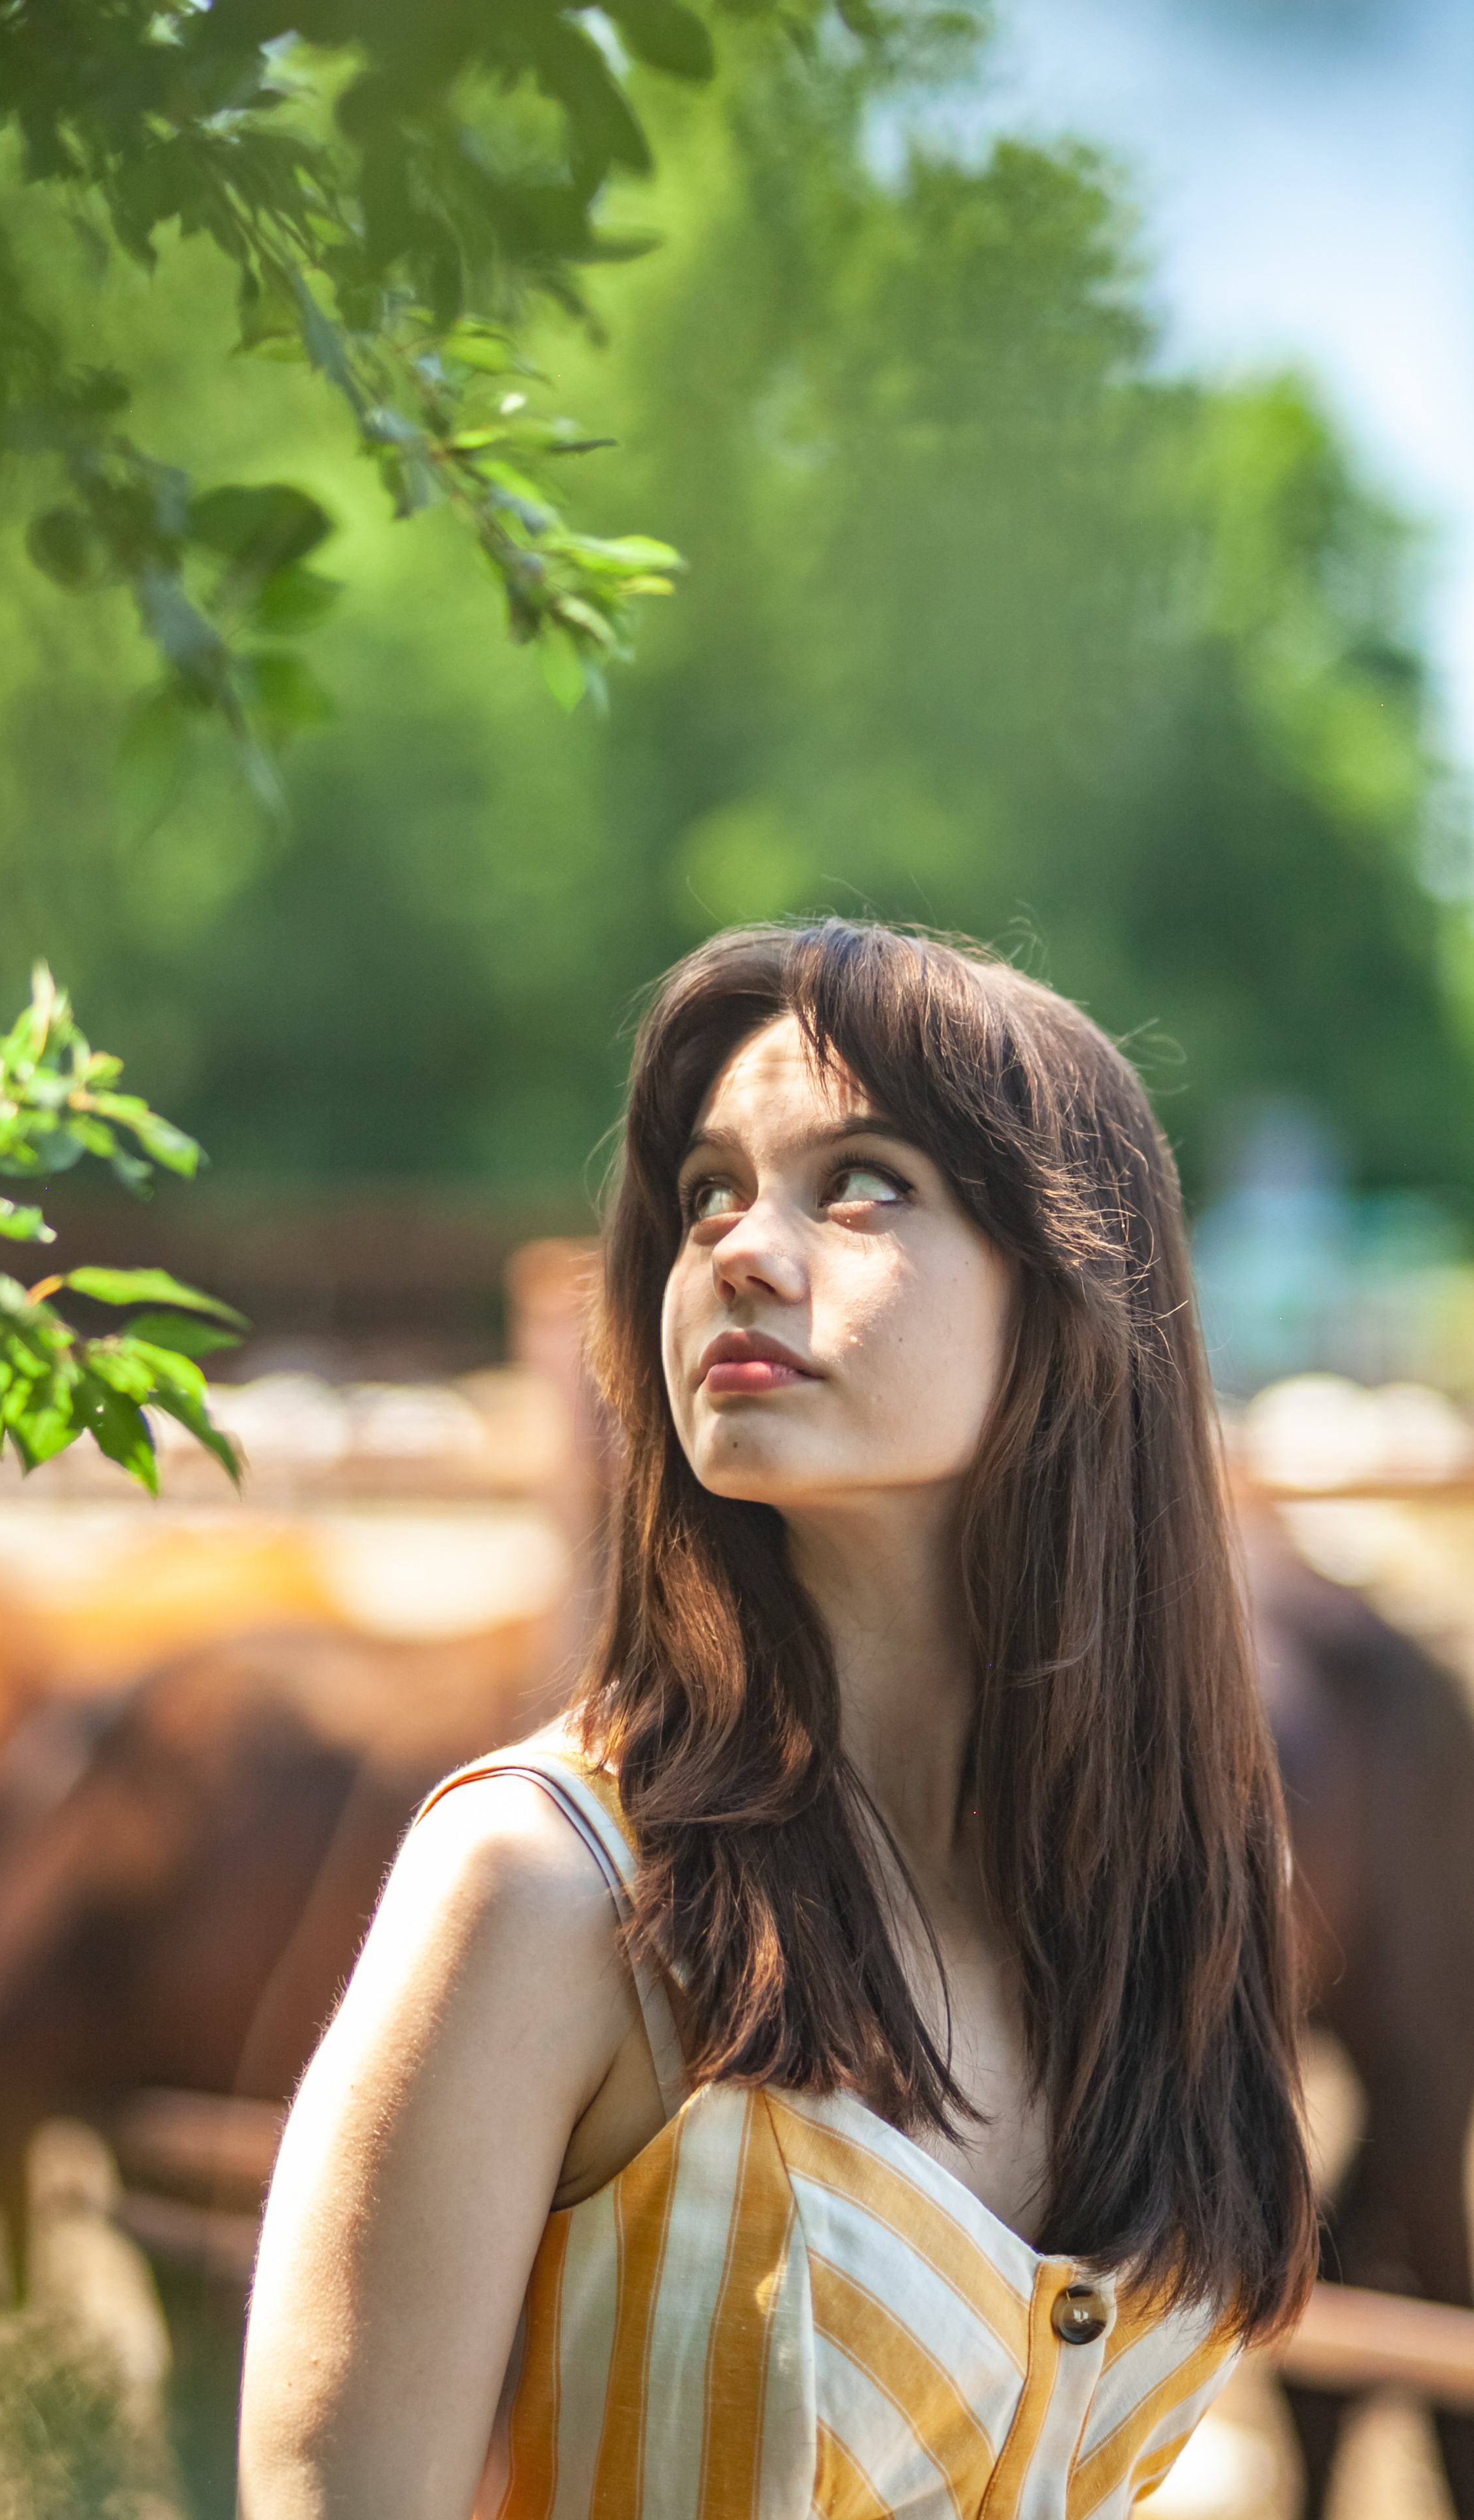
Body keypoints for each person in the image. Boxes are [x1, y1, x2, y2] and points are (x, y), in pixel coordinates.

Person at [238, 921, 1316, 2520]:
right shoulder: (548, 1891)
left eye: (862, 1182)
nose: (739, 1248)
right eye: (704, 1194)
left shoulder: (1173, 1903)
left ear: (1071, 1292)